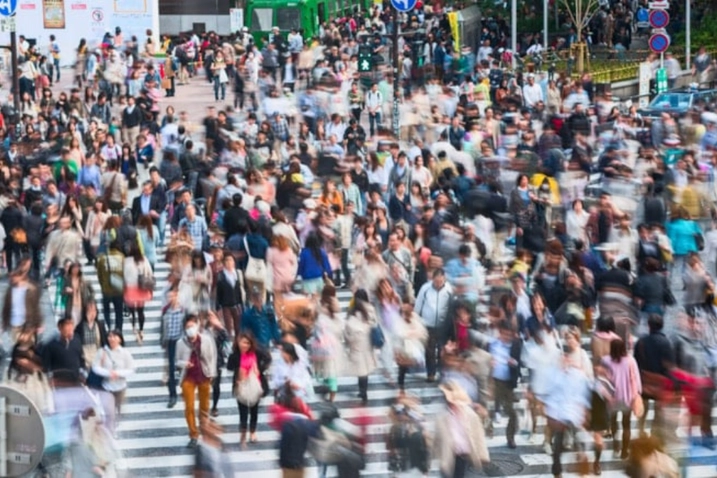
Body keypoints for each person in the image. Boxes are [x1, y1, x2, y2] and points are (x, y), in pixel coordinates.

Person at [176, 314, 218, 448]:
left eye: (192, 326)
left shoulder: (206, 340)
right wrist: (185, 364)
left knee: (204, 406)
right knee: (189, 407)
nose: (190, 329)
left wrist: (212, 373)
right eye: (188, 327)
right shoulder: (180, 343)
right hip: (188, 377)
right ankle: (193, 434)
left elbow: (212, 357)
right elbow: (177, 361)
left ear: (197, 326)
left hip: (204, 375)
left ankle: (204, 429)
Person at [433, 381, 490, 478]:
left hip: (464, 455)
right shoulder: (442, 417)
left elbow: (478, 436)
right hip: (449, 455)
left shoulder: (470, 414)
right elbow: (438, 438)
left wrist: (483, 455)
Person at [227, 332, 268, 447]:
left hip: (255, 385)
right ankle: (243, 434)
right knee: (243, 411)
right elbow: (229, 367)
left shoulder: (256, 353)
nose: (245, 345)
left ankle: (253, 431)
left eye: (248, 343)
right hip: (241, 386)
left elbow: (267, 358)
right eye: (243, 342)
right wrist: (238, 372)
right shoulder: (235, 356)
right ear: (238, 342)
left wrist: (259, 369)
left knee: (254, 410)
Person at [414, 269, 453, 382]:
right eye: (436, 281)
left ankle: (441, 372)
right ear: (432, 279)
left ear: (444, 279)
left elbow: (451, 307)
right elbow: (418, 305)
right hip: (428, 324)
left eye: (440, 281)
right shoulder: (425, 288)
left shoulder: (448, 290)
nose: (438, 284)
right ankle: (430, 373)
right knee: (429, 350)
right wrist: (416, 320)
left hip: (442, 326)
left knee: (441, 350)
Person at [344, 289, 377, 405]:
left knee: (360, 367)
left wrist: (348, 340)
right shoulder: (370, 309)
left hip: (356, 344)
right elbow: (374, 324)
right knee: (365, 368)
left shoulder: (352, 310)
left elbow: (347, 328)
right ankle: (363, 390)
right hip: (367, 342)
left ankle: (362, 390)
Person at [91, 330, 135, 415]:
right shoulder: (102, 351)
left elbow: (132, 368)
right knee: (108, 411)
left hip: (120, 387)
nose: (112, 339)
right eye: (110, 336)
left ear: (120, 339)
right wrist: (108, 373)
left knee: (119, 411)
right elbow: (95, 367)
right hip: (106, 386)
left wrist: (118, 373)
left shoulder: (125, 353)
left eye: (114, 336)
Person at [123, 245, 154, 344]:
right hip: (141, 288)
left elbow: (124, 275)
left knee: (132, 312)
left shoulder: (126, 261)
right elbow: (150, 272)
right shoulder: (144, 259)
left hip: (130, 288)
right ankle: (141, 330)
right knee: (141, 311)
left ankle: (134, 329)